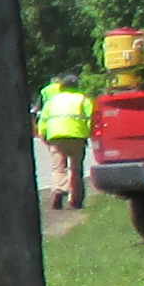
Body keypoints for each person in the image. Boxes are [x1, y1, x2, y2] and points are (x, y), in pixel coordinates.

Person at [37, 72, 95, 211]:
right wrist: (88, 134)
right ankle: (75, 200)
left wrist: (44, 136)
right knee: (76, 170)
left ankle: (58, 190)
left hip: (56, 137)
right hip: (77, 137)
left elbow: (43, 122)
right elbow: (91, 120)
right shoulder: (83, 100)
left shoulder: (52, 101)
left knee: (58, 168)